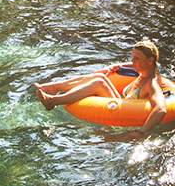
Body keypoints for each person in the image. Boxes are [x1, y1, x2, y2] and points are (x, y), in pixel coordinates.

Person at [34, 40, 165, 136]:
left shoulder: (151, 83)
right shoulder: (143, 72)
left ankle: (53, 101)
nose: (132, 61)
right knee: (100, 77)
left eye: (137, 58)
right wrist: (116, 66)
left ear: (150, 61)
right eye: (132, 57)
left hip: (123, 112)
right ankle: (54, 87)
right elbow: (137, 64)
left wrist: (141, 132)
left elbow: (161, 109)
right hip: (123, 101)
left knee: (99, 82)